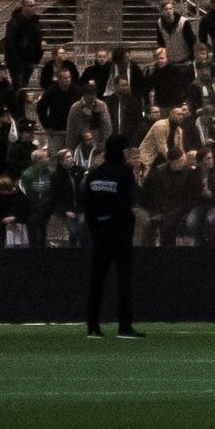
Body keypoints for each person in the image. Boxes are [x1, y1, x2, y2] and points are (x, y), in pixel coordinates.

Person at [79, 133, 140, 337]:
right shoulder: (124, 172)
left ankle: (93, 327)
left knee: (97, 280)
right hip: (120, 233)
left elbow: (86, 205)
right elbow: (126, 203)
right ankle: (124, 326)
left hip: (99, 235)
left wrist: (96, 229)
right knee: (124, 280)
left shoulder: (95, 174)